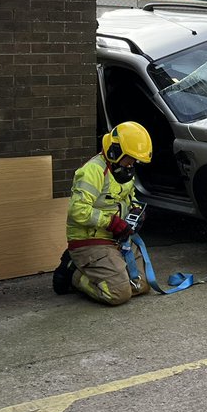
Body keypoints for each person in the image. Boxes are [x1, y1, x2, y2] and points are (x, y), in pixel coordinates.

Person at [52, 121, 153, 305]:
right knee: (118, 294)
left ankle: (108, 269)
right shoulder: (93, 171)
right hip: (90, 240)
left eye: (135, 160)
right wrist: (111, 223)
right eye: (129, 158)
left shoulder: (124, 169)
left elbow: (129, 196)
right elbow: (78, 210)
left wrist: (136, 209)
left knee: (141, 286)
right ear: (115, 150)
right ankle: (73, 273)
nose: (132, 164)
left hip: (118, 239)